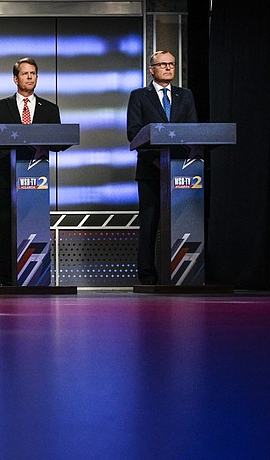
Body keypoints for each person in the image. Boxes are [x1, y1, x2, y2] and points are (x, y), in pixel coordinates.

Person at [0, 57, 60, 286]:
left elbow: (58, 141)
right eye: (25, 74)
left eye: (33, 73)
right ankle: (6, 280)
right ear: (16, 79)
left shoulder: (50, 109)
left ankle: (38, 277)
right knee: (6, 228)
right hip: (8, 178)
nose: (30, 77)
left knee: (35, 225)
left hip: (37, 180)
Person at [127, 51, 198, 285]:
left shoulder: (185, 96)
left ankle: (181, 274)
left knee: (183, 222)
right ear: (152, 69)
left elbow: (192, 132)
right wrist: (159, 161)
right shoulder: (139, 96)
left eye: (171, 64)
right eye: (163, 64)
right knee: (149, 224)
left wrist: (177, 163)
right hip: (150, 172)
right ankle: (147, 277)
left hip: (181, 172)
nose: (168, 68)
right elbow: (134, 134)